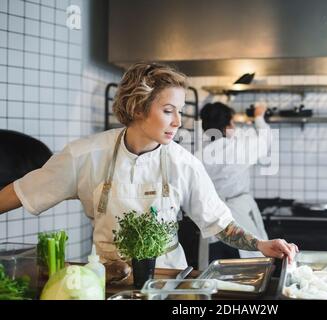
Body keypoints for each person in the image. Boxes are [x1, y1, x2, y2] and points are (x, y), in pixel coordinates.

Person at [0, 62, 298, 271]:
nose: (178, 121)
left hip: (168, 281)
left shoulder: (183, 163)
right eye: (168, 111)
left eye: (179, 111)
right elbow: (21, 191)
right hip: (107, 281)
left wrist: (260, 244)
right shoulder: (85, 156)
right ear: (137, 107)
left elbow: (221, 224)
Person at [200, 101, 272, 262]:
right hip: (238, 213)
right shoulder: (238, 149)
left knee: (217, 267)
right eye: (232, 122)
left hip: (213, 215)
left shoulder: (200, 154)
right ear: (227, 127)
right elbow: (265, 142)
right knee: (251, 262)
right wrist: (259, 117)